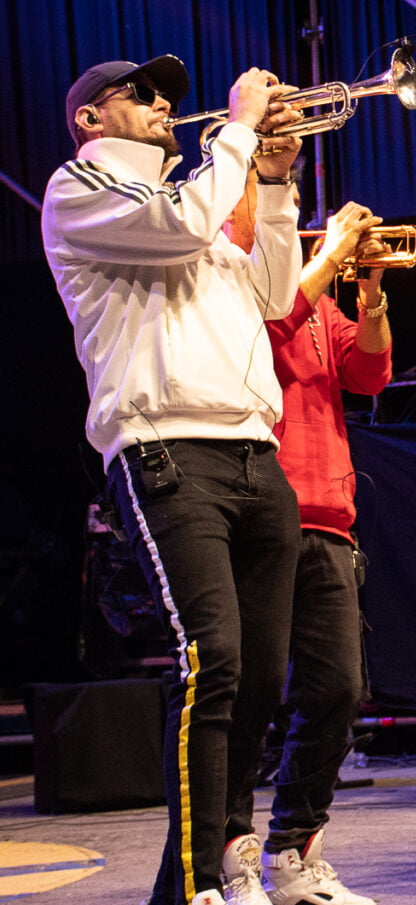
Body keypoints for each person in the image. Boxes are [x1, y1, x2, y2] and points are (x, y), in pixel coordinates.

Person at [43, 55, 305, 905]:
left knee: (262, 673)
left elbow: (274, 292)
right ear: (90, 118)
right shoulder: (81, 189)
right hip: (165, 448)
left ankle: (218, 859)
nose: (164, 106)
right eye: (143, 95)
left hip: (253, 454)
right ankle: (192, 886)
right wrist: (234, 130)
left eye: (170, 99)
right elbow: (185, 225)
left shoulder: (196, 194)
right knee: (213, 660)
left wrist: (271, 186)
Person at [222, 170, 390, 905]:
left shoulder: (322, 301)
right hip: (263, 509)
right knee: (252, 693)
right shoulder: (245, 283)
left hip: (331, 518)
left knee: (338, 690)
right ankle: (230, 853)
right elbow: (277, 317)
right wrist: (327, 263)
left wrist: (374, 292)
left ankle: (294, 849)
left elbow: (370, 372)